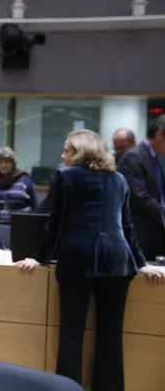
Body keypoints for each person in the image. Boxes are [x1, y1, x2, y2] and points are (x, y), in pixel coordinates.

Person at [16, 129, 164, 390]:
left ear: (80, 151)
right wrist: (142, 263)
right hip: (119, 261)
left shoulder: (66, 176)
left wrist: (39, 259)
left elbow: (56, 224)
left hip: (77, 259)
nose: (63, 156)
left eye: (67, 150)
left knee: (72, 335)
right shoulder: (118, 179)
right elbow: (127, 227)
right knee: (111, 336)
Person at [117, 115, 165, 262]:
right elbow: (140, 196)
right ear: (160, 134)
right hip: (141, 234)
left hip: (154, 232)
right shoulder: (133, 158)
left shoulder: (155, 158)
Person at [0, 146, 38, 223]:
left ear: (13, 163)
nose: (3, 165)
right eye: (0, 162)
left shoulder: (24, 178)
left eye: (7, 162)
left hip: (21, 228)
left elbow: (35, 205)